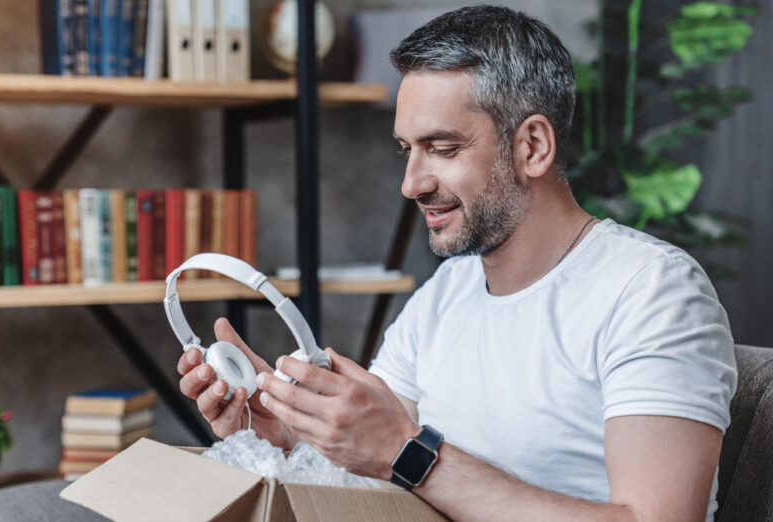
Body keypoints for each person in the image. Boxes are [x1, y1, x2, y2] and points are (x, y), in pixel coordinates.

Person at [177, 5, 736, 522]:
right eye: (407, 149)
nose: (412, 183)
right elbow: (371, 454)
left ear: (533, 147)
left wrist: (408, 452)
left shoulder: (652, 291)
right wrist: (283, 433)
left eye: (442, 149)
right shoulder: (449, 293)